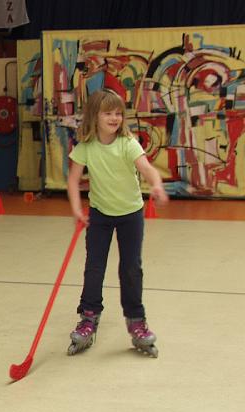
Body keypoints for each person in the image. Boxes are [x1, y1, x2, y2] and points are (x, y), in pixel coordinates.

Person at [66, 88, 169, 358]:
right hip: (99, 214)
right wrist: (78, 209)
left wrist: (156, 185)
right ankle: (88, 317)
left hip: (131, 214)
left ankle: (136, 321)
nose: (114, 118)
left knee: (131, 267)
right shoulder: (85, 148)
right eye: (108, 113)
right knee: (94, 267)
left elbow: (146, 168)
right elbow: (74, 180)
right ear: (94, 116)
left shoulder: (128, 144)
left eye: (118, 113)